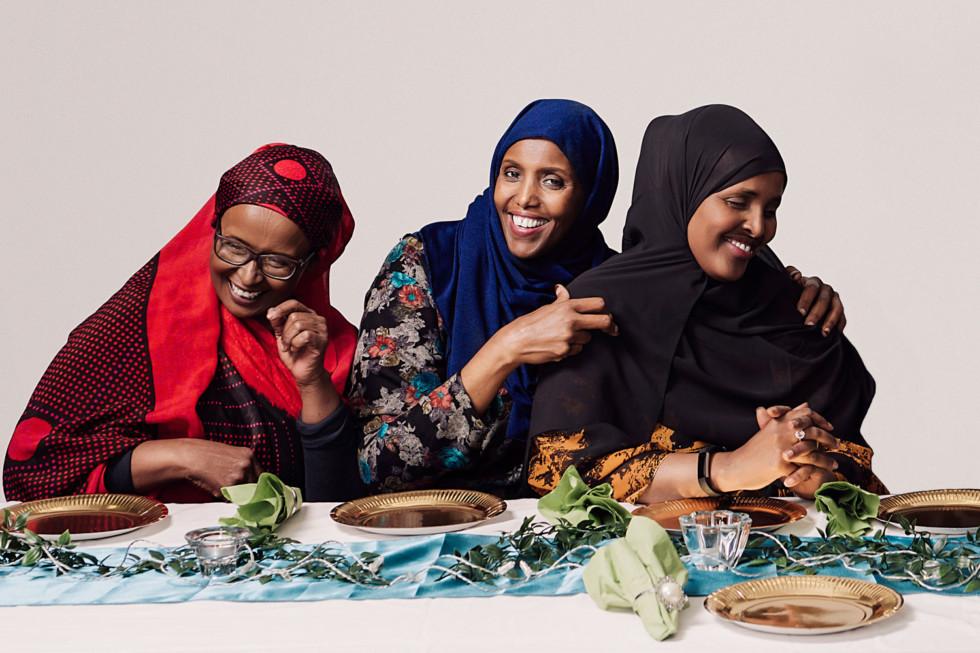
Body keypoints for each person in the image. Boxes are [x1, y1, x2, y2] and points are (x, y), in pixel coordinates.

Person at [349, 99, 844, 498]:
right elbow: (381, 468)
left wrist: (792, 292)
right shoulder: (427, 265)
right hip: (416, 529)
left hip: (565, 536)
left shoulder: (612, 290)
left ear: (591, 197)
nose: (524, 198)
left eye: (553, 181)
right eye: (511, 172)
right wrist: (507, 349)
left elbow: (646, 444)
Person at [527, 105, 885, 503]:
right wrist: (730, 468)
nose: (759, 226)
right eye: (737, 201)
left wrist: (812, 470)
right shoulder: (600, 306)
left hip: (791, 553)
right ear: (683, 192)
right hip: (643, 557)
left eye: (770, 209)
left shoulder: (797, 309)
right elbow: (560, 471)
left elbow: (857, 474)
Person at [4, 144, 362, 502]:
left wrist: (313, 382)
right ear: (212, 229)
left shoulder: (335, 350)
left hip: (290, 558)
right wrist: (180, 456)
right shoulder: (133, 327)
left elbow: (335, 508)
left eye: (277, 262)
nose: (249, 276)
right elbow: (34, 475)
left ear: (314, 265)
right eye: (233, 246)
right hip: (147, 556)